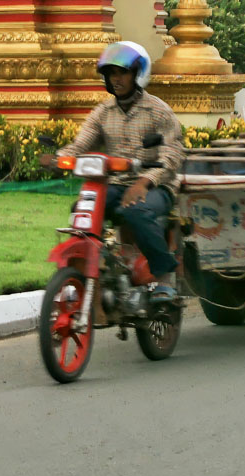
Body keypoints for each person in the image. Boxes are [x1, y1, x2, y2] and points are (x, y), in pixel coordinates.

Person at [56, 41, 185, 299]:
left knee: (137, 211)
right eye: (111, 73)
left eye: (123, 72)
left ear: (138, 74)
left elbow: (173, 154)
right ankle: (97, 270)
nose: (116, 79)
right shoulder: (103, 113)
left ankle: (164, 276)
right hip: (116, 184)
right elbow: (81, 144)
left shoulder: (158, 111)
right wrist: (60, 158)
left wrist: (145, 181)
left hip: (158, 185)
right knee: (81, 210)